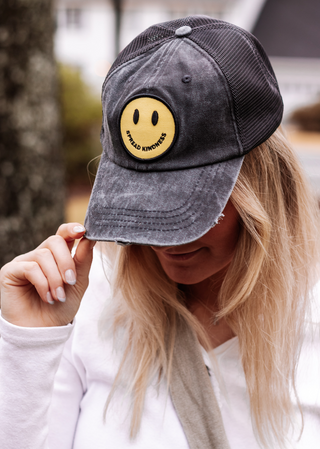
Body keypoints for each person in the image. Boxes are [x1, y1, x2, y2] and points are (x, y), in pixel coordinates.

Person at [0, 16, 320, 449]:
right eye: (143, 199)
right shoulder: (88, 307)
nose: (163, 238)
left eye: (188, 202)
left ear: (261, 186)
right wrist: (30, 344)